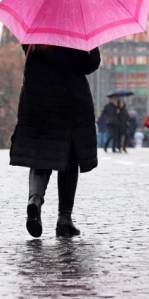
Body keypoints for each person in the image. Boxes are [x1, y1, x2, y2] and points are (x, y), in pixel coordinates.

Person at [10, 44, 101, 238]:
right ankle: (64, 219)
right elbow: (91, 64)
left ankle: (35, 199)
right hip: (70, 103)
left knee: (40, 156)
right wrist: (90, 46)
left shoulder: (35, 38)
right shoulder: (74, 33)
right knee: (69, 159)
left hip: (38, 103)